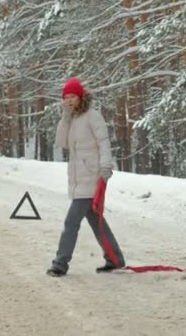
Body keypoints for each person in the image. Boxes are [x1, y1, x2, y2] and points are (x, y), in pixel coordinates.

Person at [46, 77, 125, 277]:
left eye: (72, 96)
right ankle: (115, 259)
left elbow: (104, 143)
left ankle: (60, 263)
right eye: (66, 97)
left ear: (81, 97)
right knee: (96, 221)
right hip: (77, 178)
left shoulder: (92, 116)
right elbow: (61, 143)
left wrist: (106, 167)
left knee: (71, 222)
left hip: (91, 177)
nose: (69, 100)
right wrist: (65, 117)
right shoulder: (71, 119)